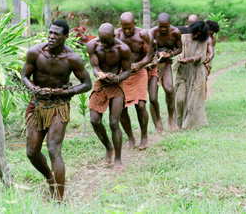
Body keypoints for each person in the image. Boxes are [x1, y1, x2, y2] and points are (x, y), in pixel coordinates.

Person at [21, 20, 92, 200]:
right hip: (37, 104)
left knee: (53, 149)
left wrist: (66, 91)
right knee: (32, 151)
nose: (51, 37)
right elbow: (24, 77)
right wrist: (34, 88)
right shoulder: (35, 52)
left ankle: (59, 200)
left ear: (65, 37)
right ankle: (50, 178)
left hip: (59, 106)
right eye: (50, 33)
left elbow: (87, 84)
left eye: (56, 34)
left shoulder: (72, 58)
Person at [87, 23, 131, 170]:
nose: (104, 45)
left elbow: (127, 71)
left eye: (107, 41)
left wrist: (117, 78)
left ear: (114, 36)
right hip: (101, 83)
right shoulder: (92, 45)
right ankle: (108, 146)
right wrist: (99, 73)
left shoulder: (123, 49)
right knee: (94, 120)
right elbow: (94, 66)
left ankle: (118, 158)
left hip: (116, 84)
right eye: (101, 41)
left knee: (113, 122)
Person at [115, 12, 151, 150]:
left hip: (139, 72)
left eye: (129, 27)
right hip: (122, 74)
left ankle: (144, 136)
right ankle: (130, 137)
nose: (127, 31)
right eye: (124, 28)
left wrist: (138, 65)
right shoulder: (116, 35)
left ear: (135, 24)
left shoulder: (143, 35)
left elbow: (148, 56)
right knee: (121, 108)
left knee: (141, 106)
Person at [149, 13, 182, 132]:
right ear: (157, 24)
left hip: (166, 63)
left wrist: (170, 54)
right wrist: (157, 55)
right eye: (160, 26)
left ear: (170, 24)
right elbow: (148, 50)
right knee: (153, 96)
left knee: (169, 89)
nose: (163, 29)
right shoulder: (152, 32)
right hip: (153, 65)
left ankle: (171, 118)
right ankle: (156, 120)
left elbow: (179, 48)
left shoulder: (175, 32)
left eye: (165, 27)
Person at [175, 20, 209, 130]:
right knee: (180, 98)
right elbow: (178, 50)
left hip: (196, 73)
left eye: (198, 35)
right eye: (194, 33)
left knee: (192, 102)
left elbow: (201, 55)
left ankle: (187, 126)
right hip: (183, 72)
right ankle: (178, 123)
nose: (195, 36)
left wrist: (189, 59)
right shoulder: (183, 37)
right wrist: (179, 57)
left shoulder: (203, 41)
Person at [203, 20, 220, 98]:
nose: (210, 35)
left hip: (207, 61)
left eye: (212, 34)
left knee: (204, 79)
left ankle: (203, 98)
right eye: (209, 33)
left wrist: (208, 61)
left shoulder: (212, 38)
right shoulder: (201, 36)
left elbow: (211, 51)